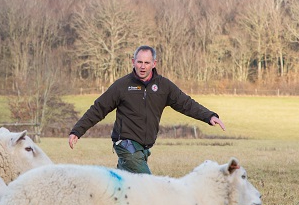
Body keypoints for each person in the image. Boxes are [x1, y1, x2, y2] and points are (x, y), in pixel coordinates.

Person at [68, 45, 225, 174]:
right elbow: (98, 108)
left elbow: (186, 103)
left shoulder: (164, 86)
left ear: (154, 64)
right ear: (133, 62)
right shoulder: (122, 86)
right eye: (139, 62)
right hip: (126, 146)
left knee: (125, 191)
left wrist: (209, 116)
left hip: (144, 149)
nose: (142, 66)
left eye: (147, 63)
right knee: (149, 186)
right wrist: (77, 131)